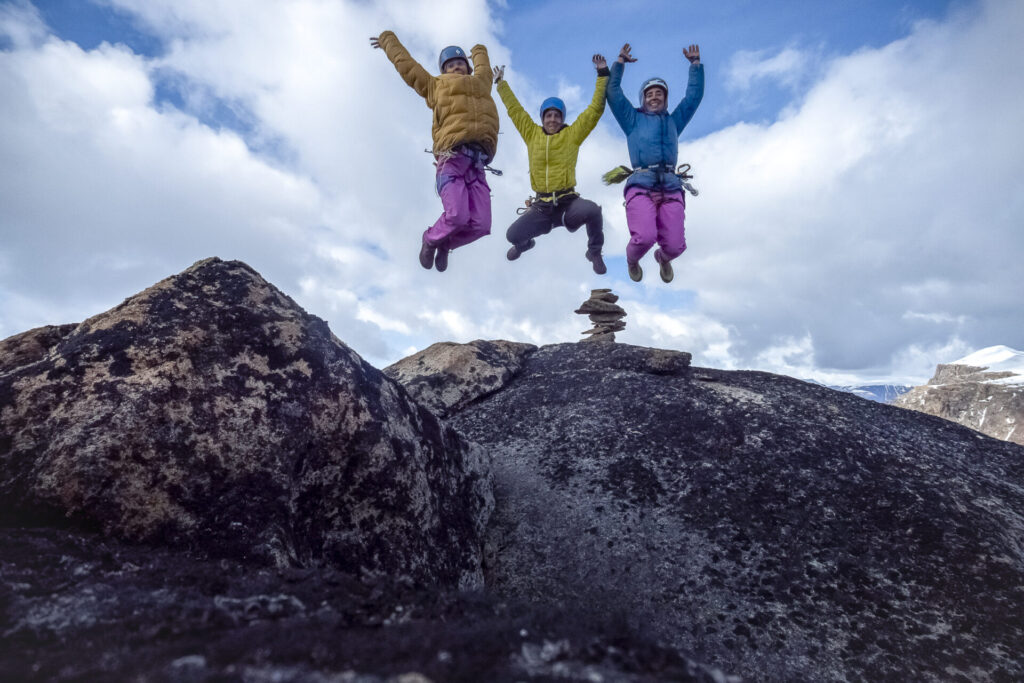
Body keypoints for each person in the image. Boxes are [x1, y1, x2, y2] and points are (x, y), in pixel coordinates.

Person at [371, 32, 499, 272]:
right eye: (450, 65)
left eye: (460, 63)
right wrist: (389, 41)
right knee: (457, 216)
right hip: (451, 160)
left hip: (477, 165)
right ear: (443, 69)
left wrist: (479, 49)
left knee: (482, 224)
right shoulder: (435, 86)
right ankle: (430, 239)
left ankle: (445, 242)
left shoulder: (482, 83)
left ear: (468, 68)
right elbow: (408, 67)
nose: (456, 67)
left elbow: (484, 66)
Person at [494, 55, 610, 274]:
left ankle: (594, 252)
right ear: (542, 118)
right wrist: (501, 84)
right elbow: (515, 111)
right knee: (512, 235)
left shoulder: (572, 135)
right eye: (548, 115)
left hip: (568, 204)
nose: (553, 120)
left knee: (593, 211)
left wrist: (602, 74)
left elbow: (595, 110)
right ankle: (524, 244)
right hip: (542, 208)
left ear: (562, 118)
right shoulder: (531, 133)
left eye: (557, 116)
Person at [606, 42, 704, 283]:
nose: (654, 97)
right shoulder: (632, 120)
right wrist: (619, 63)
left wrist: (695, 66)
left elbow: (693, 98)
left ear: (665, 99)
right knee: (644, 237)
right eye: (649, 94)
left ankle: (664, 258)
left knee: (676, 246)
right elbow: (613, 94)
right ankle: (632, 260)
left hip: (670, 186)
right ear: (643, 99)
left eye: (659, 93)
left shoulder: (673, 121)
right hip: (641, 184)